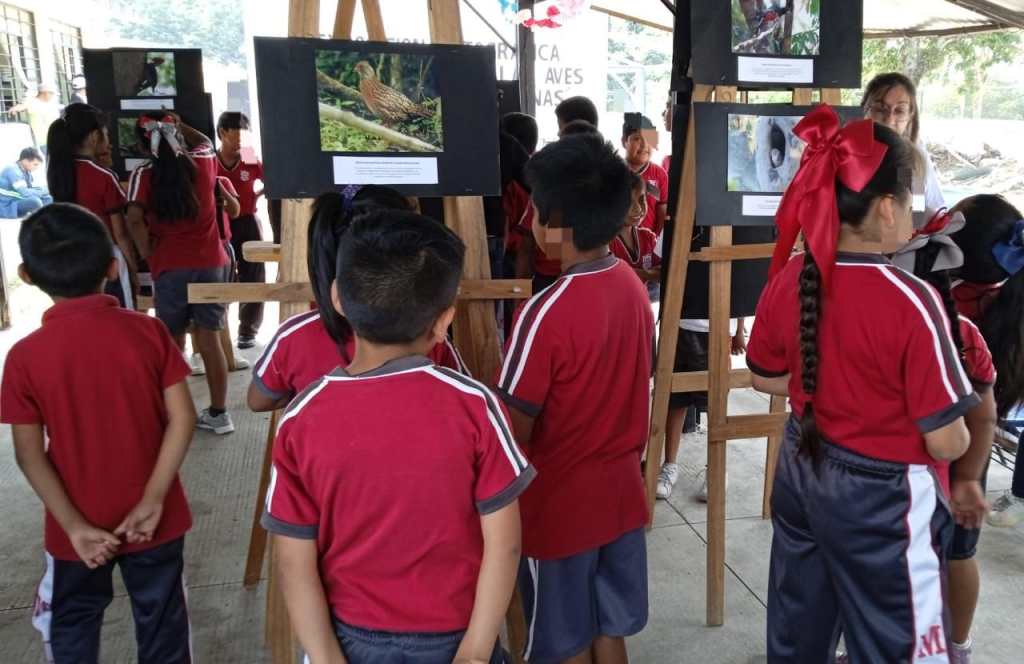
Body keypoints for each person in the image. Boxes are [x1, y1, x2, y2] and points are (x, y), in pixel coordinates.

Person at [747, 106, 975, 662]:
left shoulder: (792, 282)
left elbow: (764, 377)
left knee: (798, 635)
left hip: (801, 470)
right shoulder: (912, 301)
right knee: (902, 646)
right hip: (884, 497)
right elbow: (947, 440)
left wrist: (825, 383)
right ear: (888, 208)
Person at [262, 209, 533, 663]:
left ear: (337, 298)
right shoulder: (476, 405)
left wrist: (327, 658)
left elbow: (293, 560)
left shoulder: (300, 418)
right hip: (454, 637)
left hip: (348, 640)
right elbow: (504, 543)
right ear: (445, 320)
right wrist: (474, 653)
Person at [1, 204, 195, 663]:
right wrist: (152, 499)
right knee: (163, 623)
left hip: (76, 526)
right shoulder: (147, 333)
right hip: (155, 517)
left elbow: (29, 455)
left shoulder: (24, 358)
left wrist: (73, 526)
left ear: (26, 275)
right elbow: (183, 419)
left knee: (71, 624)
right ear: (112, 267)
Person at [498, 134, 653, 663]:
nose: (529, 222)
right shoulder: (632, 287)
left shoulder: (544, 313)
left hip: (558, 511)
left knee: (562, 642)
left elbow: (511, 429)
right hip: (623, 497)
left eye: (535, 211)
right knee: (610, 629)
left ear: (556, 223)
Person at [248, 186, 468, 412]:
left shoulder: (294, 337)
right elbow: (462, 395)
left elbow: (258, 400)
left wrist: (308, 398)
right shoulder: (428, 336)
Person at [891, 209, 996, 664]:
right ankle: (957, 646)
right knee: (958, 556)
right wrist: (970, 478)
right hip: (961, 471)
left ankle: (914, 647)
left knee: (910, 568)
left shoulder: (898, 327)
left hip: (919, 478)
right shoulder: (966, 333)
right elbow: (985, 416)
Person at [126, 112, 235, 435]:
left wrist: (146, 250)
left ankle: (178, 415)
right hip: (210, 263)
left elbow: (133, 216)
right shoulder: (202, 163)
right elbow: (203, 142)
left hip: (169, 266)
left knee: (172, 342)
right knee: (210, 338)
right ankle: (219, 413)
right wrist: (178, 122)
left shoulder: (144, 173)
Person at [950, 194, 1024, 528]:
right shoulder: (1009, 309)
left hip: (928, 453)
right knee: (959, 553)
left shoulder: (940, 308)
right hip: (972, 464)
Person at [47, 103, 135, 309]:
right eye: (105, 133)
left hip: (72, 258)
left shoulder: (58, 173)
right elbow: (120, 234)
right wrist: (131, 269)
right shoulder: (103, 176)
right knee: (118, 319)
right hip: (106, 259)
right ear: (95, 136)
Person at [216, 112, 266, 349]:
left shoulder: (248, 157)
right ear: (222, 133)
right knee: (221, 274)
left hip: (247, 221)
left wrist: (257, 196)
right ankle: (217, 326)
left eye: (244, 136)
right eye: (235, 136)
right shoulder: (210, 161)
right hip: (219, 225)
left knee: (254, 274)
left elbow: (271, 180)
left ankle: (247, 330)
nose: (240, 142)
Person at [861, 72, 945, 214]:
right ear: (864, 109)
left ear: (910, 116)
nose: (889, 120)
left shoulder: (910, 161)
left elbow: (919, 213)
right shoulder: (843, 152)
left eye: (899, 111)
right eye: (880, 109)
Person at [622, 113, 669, 236]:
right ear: (624, 141)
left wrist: (657, 243)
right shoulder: (612, 171)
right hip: (618, 243)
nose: (644, 145)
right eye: (637, 138)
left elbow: (662, 213)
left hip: (649, 244)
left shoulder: (660, 175)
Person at [610, 172, 660, 284]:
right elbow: (609, 276)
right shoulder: (604, 242)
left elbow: (664, 271)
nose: (638, 209)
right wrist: (647, 273)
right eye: (628, 202)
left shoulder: (648, 237)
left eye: (642, 199)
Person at [8, 83, 61, 154]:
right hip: (42, 142)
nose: (52, 96)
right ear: (44, 93)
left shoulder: (50, 104)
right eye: (51, 93)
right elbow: (21, 106)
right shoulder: (32, 102)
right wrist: (14, 109)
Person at [0, 147, 52, 218]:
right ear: (25, 161)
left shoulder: (25, 170)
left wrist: (45, 190)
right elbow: (25, 193)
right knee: (35, 202)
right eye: (35, 164)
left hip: (19, 198)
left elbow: (30, 188)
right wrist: (46, 190)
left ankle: (45, 215)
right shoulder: (13, 171)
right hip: (8, 204)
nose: (36, 167)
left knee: (49, 198)